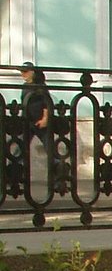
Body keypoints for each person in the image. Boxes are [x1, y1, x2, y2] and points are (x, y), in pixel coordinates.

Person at [18, 61, 54, 192]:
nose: (23, 75)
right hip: (28, 122)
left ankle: (58, 175)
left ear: (32, 72)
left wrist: (45, 118)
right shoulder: (24, 86)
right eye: (22, 72)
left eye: (25, 72)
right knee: (20, 149)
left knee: (49, 148)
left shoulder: (40, 86)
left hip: (40, 122)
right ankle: (14, 175)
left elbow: (46, 103)